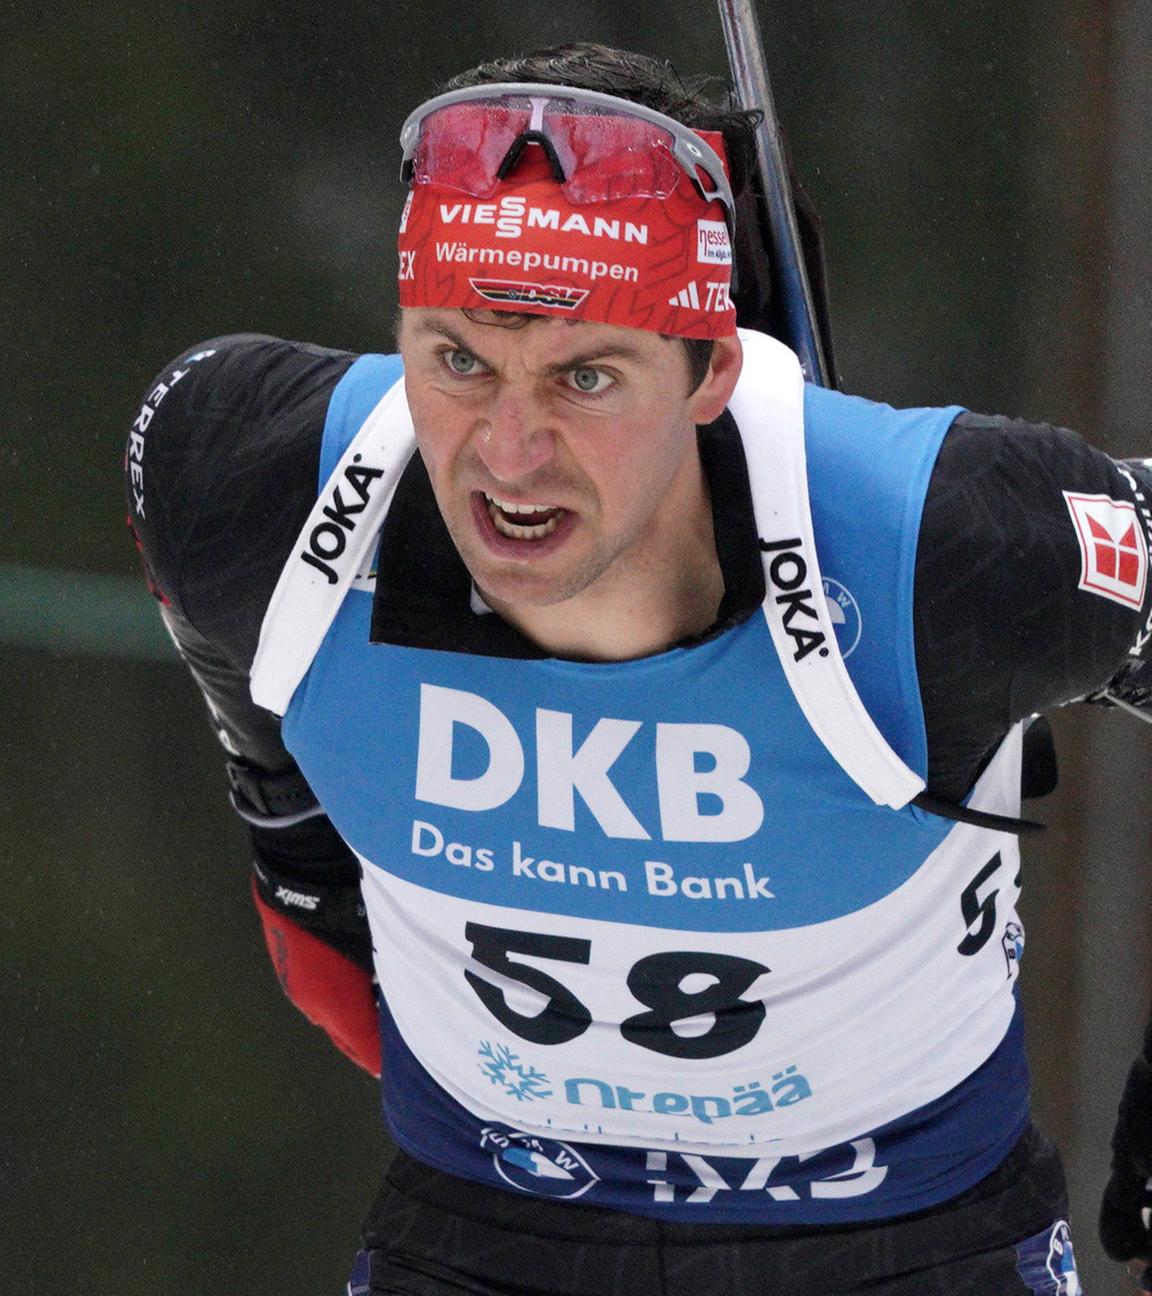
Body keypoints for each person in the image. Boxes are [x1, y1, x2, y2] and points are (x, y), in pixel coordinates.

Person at [126, 41, 1152, 1296]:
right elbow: (216, 623)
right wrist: (286, 835)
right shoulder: (250, 482)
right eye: (457, 361)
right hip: (489, 1227)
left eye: (586, 375)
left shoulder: (932, 542)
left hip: (905, 1239)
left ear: (714, 366)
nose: (508, 453)